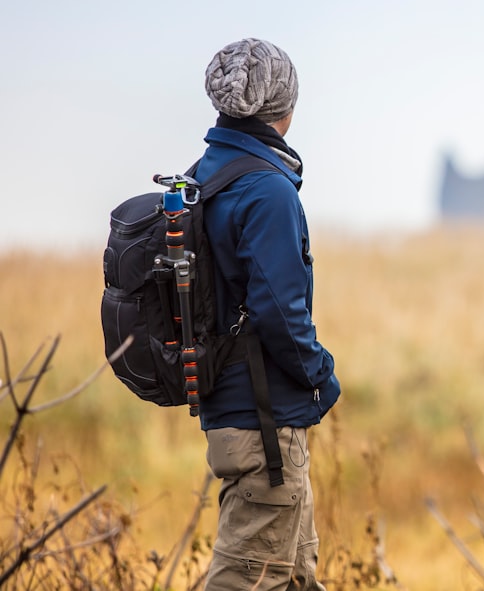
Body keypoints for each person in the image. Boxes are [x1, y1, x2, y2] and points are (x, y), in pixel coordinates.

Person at [195, 38, 341, 590]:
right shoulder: (266, 189)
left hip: (235, 416)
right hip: (265, 427)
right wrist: (321, 377)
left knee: (294, 577)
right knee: (249, 581)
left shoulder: (209, 172)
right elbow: (280, 312)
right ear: (286, 107)